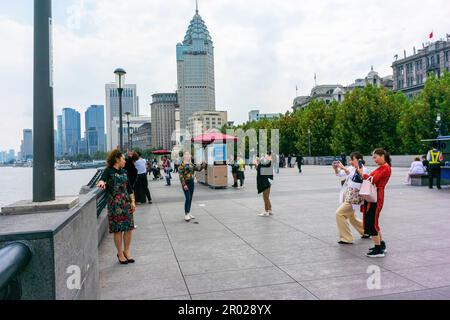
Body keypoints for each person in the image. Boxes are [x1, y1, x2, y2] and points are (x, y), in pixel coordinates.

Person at [97, 149, 136, 265]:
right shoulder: (108, 171)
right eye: (123, 158)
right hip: (115, 206)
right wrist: (101, 182)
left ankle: (127, 251)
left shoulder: (124, 172)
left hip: (126, 204)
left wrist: (133, 201)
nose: (124, 160)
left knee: (129, 228)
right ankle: (120, 253)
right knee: (118, 230)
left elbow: (129, 188)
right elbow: (102, 179)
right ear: (117, 159)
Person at [357, 148, 392, 258]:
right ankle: (380, 245)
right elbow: (372, 178)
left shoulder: (385, 168)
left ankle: (378, 250)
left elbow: (373, 180)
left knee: (372, 222)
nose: (374, 160)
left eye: (375, 157)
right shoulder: (382, 167)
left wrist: (363, 174)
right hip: (374, 196)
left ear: (382, 156)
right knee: (374, 221)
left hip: (376, 197)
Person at [333, 152, 370, 245]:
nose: (350, 161)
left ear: (359, 160)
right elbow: (340, 174)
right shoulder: (351, 168)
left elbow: (355, 179)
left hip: (355, 197)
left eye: (352, 159)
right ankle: (365, 231)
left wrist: (344, 168)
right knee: (351, 216)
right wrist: (336, 169)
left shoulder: (364, 169)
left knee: (339, 214)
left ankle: (347, 238)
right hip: (349, 195)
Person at [178, 151, 206, 222]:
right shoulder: (181, 165)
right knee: (187, 198)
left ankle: (189, 212)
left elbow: (198, 169)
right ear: (183, 156)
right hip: (186, 183)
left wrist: (203, 164)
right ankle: (186, 214)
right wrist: (184, 185)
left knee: (190, 198)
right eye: (186, 154)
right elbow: (181, 176)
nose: (188, 156)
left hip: (191, 183)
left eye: (189, 154)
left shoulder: (191, 164)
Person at [255, 152, 274, 217]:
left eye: (266, 155)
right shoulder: (268, 162)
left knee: (265, 196)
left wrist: (258, 163)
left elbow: (263, 170)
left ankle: (266, 211)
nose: (264, 156)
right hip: (266, 181)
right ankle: (270, 209)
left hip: (267, 182)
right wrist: (258, 164)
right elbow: (260, 169)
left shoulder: (269, 162)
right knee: (266, 196)